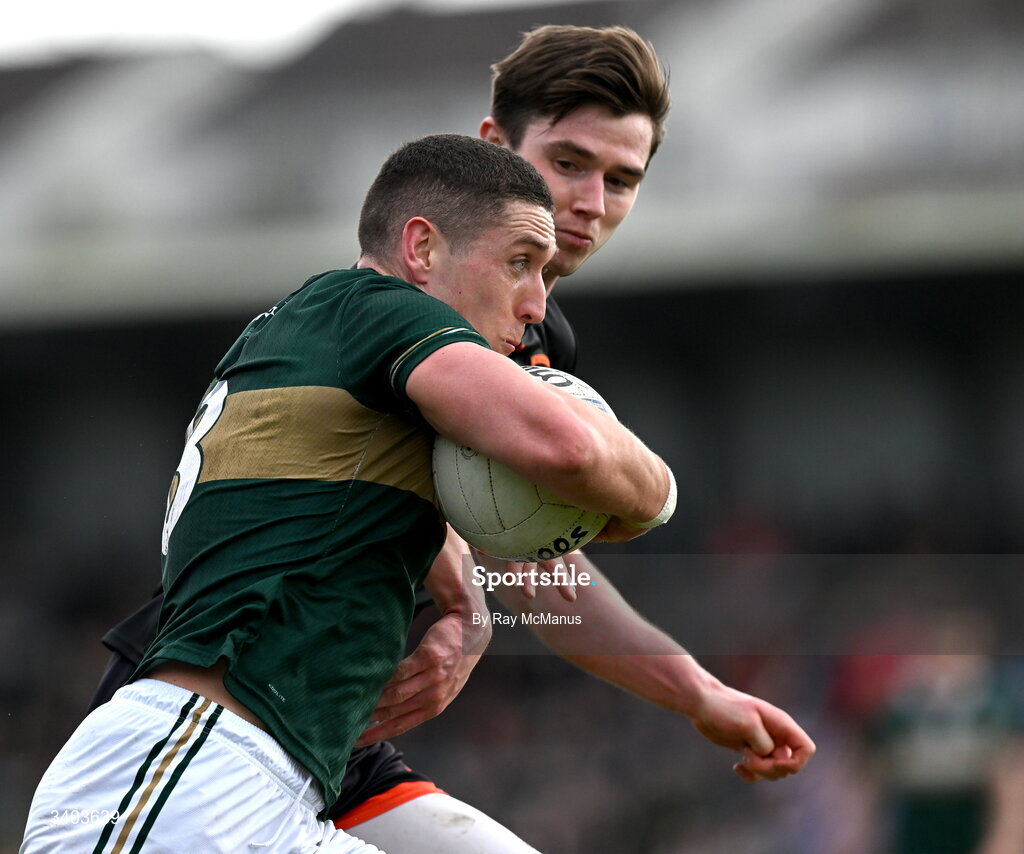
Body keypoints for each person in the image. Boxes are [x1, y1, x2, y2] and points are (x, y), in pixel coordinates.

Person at [81, 25, 816, 853]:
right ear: (494, 150)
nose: (589, 201)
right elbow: (566, 460)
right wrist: (641, 490)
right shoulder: (390, 309)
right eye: (568, 163)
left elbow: (527, 564)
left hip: (323, 743)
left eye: (621, 179)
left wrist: (692, 690)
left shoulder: (519, 337)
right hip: (220, 717)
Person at [20, 132, 675, 854]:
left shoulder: (325, 338)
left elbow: (365, 488)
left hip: (251, 781)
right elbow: (573, 450)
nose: (535, 305)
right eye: (521, 263)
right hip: (188, 777)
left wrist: (468, 610)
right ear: (421, 250)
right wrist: (661, 488)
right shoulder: (382, 309)